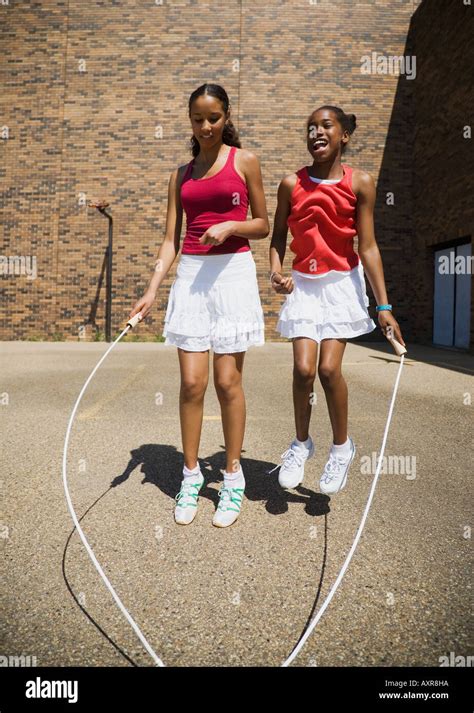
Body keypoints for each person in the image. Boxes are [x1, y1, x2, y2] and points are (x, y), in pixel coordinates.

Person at [129, 83, 269, 527]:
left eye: (213, 117)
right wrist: (152, 289)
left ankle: (232, 478)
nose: (205, 126)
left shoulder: (244, 161)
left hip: (233, 275)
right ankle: (191, 476)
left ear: (226, 117)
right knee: (192, 384)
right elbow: (171, 239)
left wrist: (231, 226)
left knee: (227, 383)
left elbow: (264, 224)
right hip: (191, 276)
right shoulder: (181, 175)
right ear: (189, 120)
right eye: (197, 119)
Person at [269, 105, 406, 495]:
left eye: (325, 125)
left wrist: (384, 307)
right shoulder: (290, 184)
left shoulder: (361, 182)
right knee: (302, 369)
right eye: (310, 127)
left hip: (342, 283)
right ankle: (300, 444)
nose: (316, 132)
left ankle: (342, 449)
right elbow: (277, 238)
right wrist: (276, 272)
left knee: (329, 371)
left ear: (344, 135)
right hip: (303, 285)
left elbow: (369, 246)